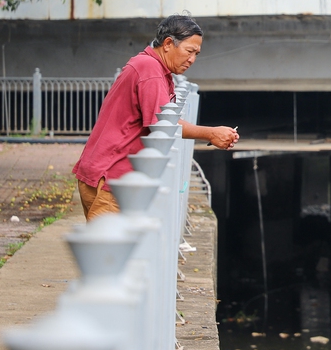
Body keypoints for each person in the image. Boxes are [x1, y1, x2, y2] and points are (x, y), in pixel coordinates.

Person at [73, 14, 239, 222]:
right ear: (168, 43)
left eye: (196, 54)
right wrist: (211, 133)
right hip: (113, 176)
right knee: (108, 251)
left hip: (104, 170)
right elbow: (161, 125)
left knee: (113, 249)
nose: (192, 60)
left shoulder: (150, 66)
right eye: (189, 51)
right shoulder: (150, 69)